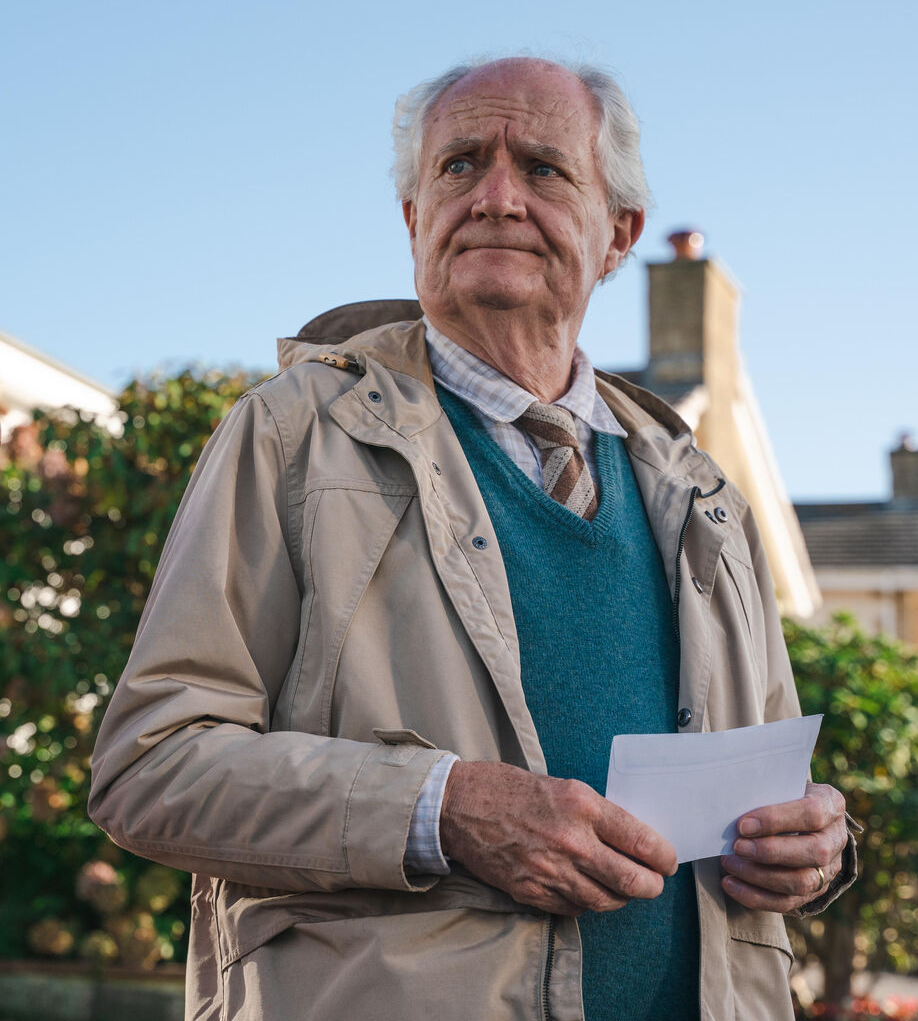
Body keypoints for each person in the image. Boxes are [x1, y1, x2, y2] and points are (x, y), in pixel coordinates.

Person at [89, 56, 855, 1021]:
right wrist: (441, 811)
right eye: (458, 166)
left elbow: (772, 780)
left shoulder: (699, 491)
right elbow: (152, 766)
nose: (496, 196)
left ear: (616, 235)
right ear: (414, 218)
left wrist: (814, 846)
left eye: (542, 167)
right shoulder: (292, 433)